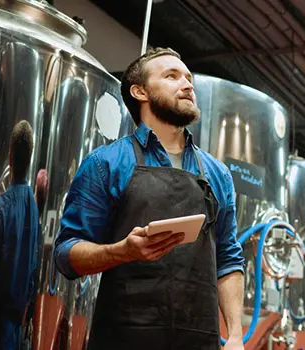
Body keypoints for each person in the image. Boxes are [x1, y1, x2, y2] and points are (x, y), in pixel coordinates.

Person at [52, 47, 245, 350]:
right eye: (172, 76)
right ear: (140, 91)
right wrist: (122, 251)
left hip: (199, 340)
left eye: (188, 77)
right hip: (124, 337)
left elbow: (229, 259)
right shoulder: (107, 163)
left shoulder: (217, 174)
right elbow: (66, 253)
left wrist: (235, 336)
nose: (187, 84)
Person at [0, 120, 40, 349]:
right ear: (30, 158)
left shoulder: (1, 207)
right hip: (16, 326)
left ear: (10, 156)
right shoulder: (33, 206)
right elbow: (34, 268)